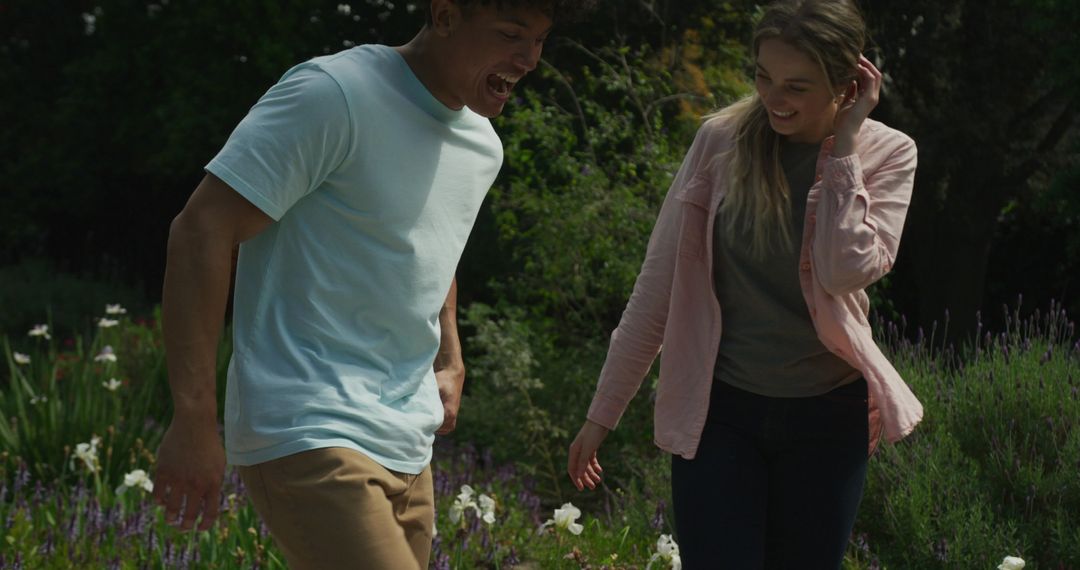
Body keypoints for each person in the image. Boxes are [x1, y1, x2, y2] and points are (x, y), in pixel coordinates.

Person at [152, 1, 593, 568]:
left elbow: (431, 240)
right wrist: (192, 418)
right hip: (309, 424)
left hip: (409, 444)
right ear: (445, 15)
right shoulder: (335, 94)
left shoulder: (482, 144)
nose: (530, 59)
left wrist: (450, 354)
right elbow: (200, 232)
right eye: (511, 34)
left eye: (540, 39)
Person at [566, 0, 923, 567]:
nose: (774, 99)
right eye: (763, 77)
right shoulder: (719, 142)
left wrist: (846, 150)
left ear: (846, 84)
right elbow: (657, 287)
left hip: (828, 418)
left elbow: (842, 271)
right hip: (720, 412)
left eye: (797, 86)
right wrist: (600, 414)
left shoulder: (889, 153)